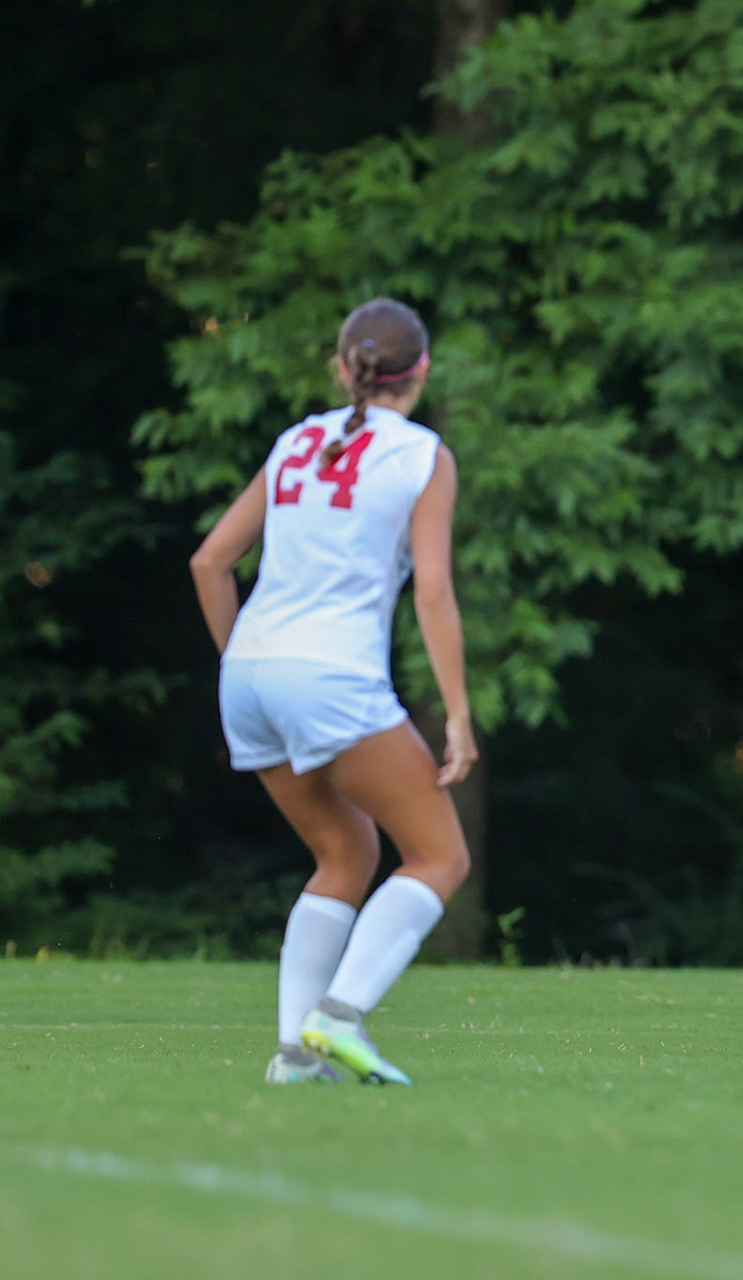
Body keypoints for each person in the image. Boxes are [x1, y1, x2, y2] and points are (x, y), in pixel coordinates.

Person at [189, 297, 477, 1087]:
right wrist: (456, 714)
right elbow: (433, 593)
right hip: (331, 676)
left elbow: (210, 563)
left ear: (343, 367)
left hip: (249, 673)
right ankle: (337, 1017)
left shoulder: (296, 442)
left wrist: (246, 662)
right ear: (420, 370)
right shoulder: (423, 456)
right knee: (440, 855)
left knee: (346, 853)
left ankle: (294, 1057)